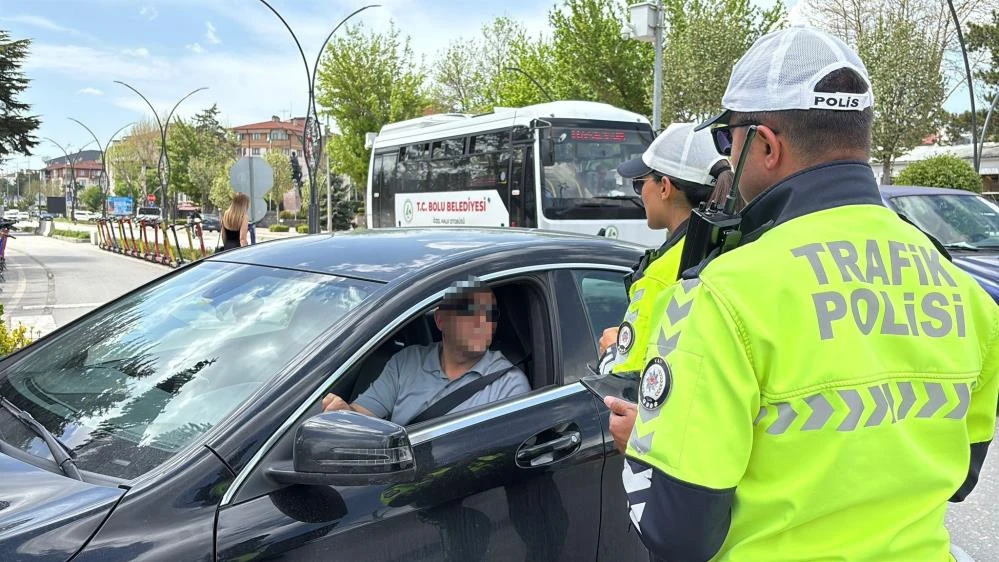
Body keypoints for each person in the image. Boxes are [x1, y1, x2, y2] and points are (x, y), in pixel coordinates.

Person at [613, 26, 998, 561]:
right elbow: (959, 478)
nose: (728, 156)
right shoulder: (965, 291)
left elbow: (678, 535)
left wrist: (647, 448)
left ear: (766, 145)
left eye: (729, 139)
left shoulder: (726, 293)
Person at [586, 123, 732, 452]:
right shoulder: (726, 247)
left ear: (664, 186)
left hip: (661, 446)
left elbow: (625, 381)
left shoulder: (661, 273)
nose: (640, 192)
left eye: (642, 182)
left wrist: (610, 349)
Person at [322, 280, 531, 425]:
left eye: (490, 314)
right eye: (469, 311)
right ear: (441, 320)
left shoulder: (509, 384)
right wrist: (344, 412)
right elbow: (363, 413)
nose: (482, 322)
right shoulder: (407, 361)